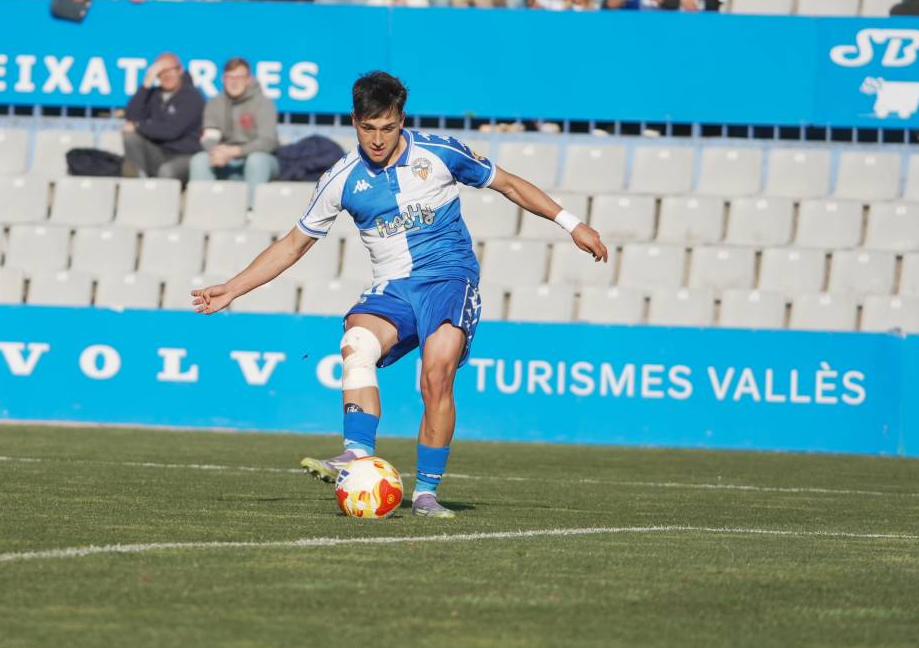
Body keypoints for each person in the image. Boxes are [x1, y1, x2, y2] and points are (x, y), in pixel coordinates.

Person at [191, 72, 608, 518]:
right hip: (392, 286)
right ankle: (356, 453)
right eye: (368, 128)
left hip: (449, 279)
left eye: (387, 128)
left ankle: (426, 494)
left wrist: (572, 224)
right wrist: (231, 289)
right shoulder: (340, 180)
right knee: (356, 342)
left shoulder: (440, 153)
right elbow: (293, 245)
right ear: (354, 121)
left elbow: (509, 184)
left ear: (401, 119)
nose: (377, 139)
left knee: (436, 376)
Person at [189, 58, 280, 207]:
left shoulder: (264, 103)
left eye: (239, 77)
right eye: (229, 77)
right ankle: (202, 210)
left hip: (260, 158)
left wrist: (236, 151)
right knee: (200, 160)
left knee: (257, 160)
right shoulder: (214, 103)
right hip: (225, 158)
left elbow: (267, 141)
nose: (234, 82)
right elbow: (209, 136)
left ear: (248, 79)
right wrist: (217, 152)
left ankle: (250, 212)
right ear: (223, 79)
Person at [122, 53, 205, 181]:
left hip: (184, 156)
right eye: (161, 72)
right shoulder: (154, 94)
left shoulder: (192, 96)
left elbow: (171, 131)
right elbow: (131, 116)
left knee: (166, 171)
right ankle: (139, 184)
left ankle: (161, 198)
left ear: (180, 71)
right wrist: (146, 83)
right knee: (130, 137)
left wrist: (139, 126)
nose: (166, 75)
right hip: (159, 152)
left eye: (170, 70)